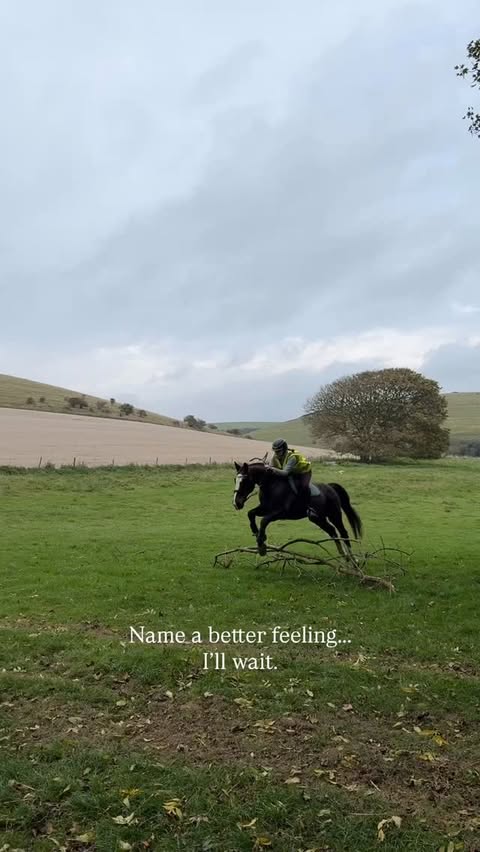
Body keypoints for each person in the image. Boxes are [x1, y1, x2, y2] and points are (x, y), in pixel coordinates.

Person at [267, 438, 312, 512]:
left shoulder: (292, 457)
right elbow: (271, 467)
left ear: (284, 449)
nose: (276, 453)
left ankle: (308, 507)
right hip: (291, 472)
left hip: (303, 472)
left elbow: (285, 473)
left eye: (278, 451)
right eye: (275, 451)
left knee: (304, 486)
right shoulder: (275, 455)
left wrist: (272, 469)